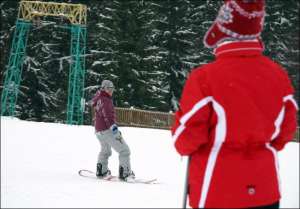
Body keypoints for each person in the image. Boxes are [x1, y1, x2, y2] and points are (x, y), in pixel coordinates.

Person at [171, 0, 298, 208]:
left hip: (217, 192)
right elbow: (285, 131)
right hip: (265, 192)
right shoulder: (278, 76)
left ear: (223, 32)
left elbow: (186, 139)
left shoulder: (205, 78)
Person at [91, 80, 135, 181]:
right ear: (104, 89)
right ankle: (126, 173)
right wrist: (115, 130)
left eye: (112, 89)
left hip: (99, 130)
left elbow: (94, 105)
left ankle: (101, 171)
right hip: (107, 130)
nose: (111, 91)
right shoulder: (106, 100)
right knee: (124, 150)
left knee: (105, 150)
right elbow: (108, 117)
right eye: (109, 89)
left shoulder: (99, 98)